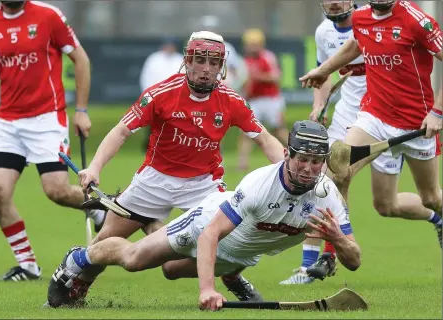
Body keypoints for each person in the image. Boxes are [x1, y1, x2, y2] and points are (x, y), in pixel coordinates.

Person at [43, 30, 287, 306]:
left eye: (214, 63)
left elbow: (265, 139)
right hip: (153, 182)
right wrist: (95, 168)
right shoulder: (162, 93)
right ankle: (79, 287)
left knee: (221, 245)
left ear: (222, 67)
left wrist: (289, 175)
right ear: (187, 61)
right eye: (200, 61)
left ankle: (231, 274)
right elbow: (121, 131)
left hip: (203, 185)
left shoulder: (231, 100)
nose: (206, 70)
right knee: (102, 243)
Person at [46, 120, 362, 310]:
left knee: (170, 269)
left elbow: (354, 261)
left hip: (239, 254)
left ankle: (155, 226)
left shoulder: (326, 195)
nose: (308, 168)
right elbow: (211, 234)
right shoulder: (259, 186)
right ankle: (79, 259)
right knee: (133, 260)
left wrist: (338, 240)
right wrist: (207, 290)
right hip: (204, 224)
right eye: (302, 159)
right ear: (287, 154)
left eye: (317, 162)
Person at [0, 0, 107, 281]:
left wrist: (80, 110)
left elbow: (81, 59)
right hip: (7, 123)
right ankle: (28, 265)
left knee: (57, 191)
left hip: (47, 120)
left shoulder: (48, 15)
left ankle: (105, 207)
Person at [299, 0, 443, 268]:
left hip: (416, 124)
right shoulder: (362, 17)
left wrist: (438, 112)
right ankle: (336, 251)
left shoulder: (416, 20)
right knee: (336, 168)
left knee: (427, 199)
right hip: (374, 117)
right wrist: (323, 70)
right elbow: (355, 45)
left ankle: (439, 217)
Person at [281, 0, 371, 285]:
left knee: (388, 204)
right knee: (325, 179)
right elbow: (324, 75)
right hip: (347, 113)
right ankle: (315, 263)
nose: (333, 2)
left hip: (382, 112)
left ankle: (435, 212)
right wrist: (319, 106)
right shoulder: (324, 33)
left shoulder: (373, 22)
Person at [238, 28, 289, 171]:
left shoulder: (267, 57)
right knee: (246, 131)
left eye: (254, 44)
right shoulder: (245, 60)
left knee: (279, 130)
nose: (251, 47)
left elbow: (276, 77)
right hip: (254, 100)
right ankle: (242, 163)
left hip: (270, 99)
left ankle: (297, 152)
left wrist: (257, 76)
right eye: (249, 44)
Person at [139, 36, 184, 151]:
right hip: (156, 96)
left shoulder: (180, 59)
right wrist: (150, 95)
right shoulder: (154, 59)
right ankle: (151, 147)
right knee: (153, 123)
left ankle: (172, 146)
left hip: (175, 97)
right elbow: (146, 77)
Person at [198, 15, 248, 94]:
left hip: (223, 87)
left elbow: (234, 70)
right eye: (207, 29)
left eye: (212, 29)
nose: (210, 31)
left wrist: (234, 86)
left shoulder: (227, 47)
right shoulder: (196, 47)